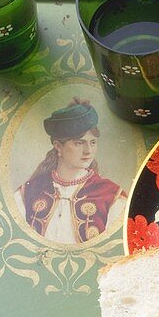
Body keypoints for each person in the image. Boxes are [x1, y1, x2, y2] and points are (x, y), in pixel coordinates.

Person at [15, 99, 127, 245]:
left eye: (93, 142)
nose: (88, 151)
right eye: (79, 143)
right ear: (58, 146)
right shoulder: (28, 191)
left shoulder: (111, 195)